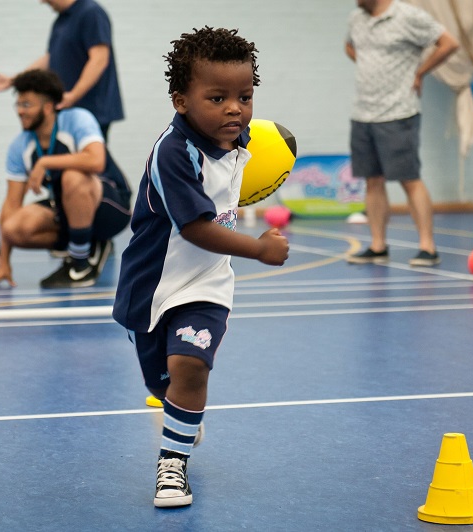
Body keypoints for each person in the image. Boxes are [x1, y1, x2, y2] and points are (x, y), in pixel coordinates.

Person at [112, 27, 289, 508]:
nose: (235, 109)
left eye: (245, 96)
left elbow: (268, 146)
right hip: (150, 287)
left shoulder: (237, 132)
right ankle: (181, 413)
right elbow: (194, 227)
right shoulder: (173, 153)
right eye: (218, 97)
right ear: (181, 101)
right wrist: (258, 248)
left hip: (207, 284)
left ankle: (172, 467)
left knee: (190, 366)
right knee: (162, 382)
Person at [0, 69, 131, 288]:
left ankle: (80, 265)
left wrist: (46, 162)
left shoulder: (77, 118)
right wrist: (4, 262)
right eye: (18, 105)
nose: (20, 111)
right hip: (68, 209)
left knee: (72, 177)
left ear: (48, 107)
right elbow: (10, 208)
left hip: (112, 206)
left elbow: (96, 161)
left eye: (27, 105)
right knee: (13, 227)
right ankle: (88, 243)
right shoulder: (20, 146)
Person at [344, 0, 458, 267]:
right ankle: (377, 245)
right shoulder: (356, 19)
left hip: (399, 112)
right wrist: (371, 64)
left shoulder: (408, 16)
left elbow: (449, 43)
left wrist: (420, 72)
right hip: (363, 113)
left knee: (409, 179)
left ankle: (428, 248)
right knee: (372, 179)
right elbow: (350, 46)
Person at [0, 0, 127, 204]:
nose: (44, 3)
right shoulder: (61, 21)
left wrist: (74, 94)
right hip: (67, 109)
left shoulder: (91, 12)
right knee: (69, 171)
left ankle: (104, 218)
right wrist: (16, 79)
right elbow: (51, 58)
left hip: (91, 108)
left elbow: (99, 58)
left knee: (87, 171)